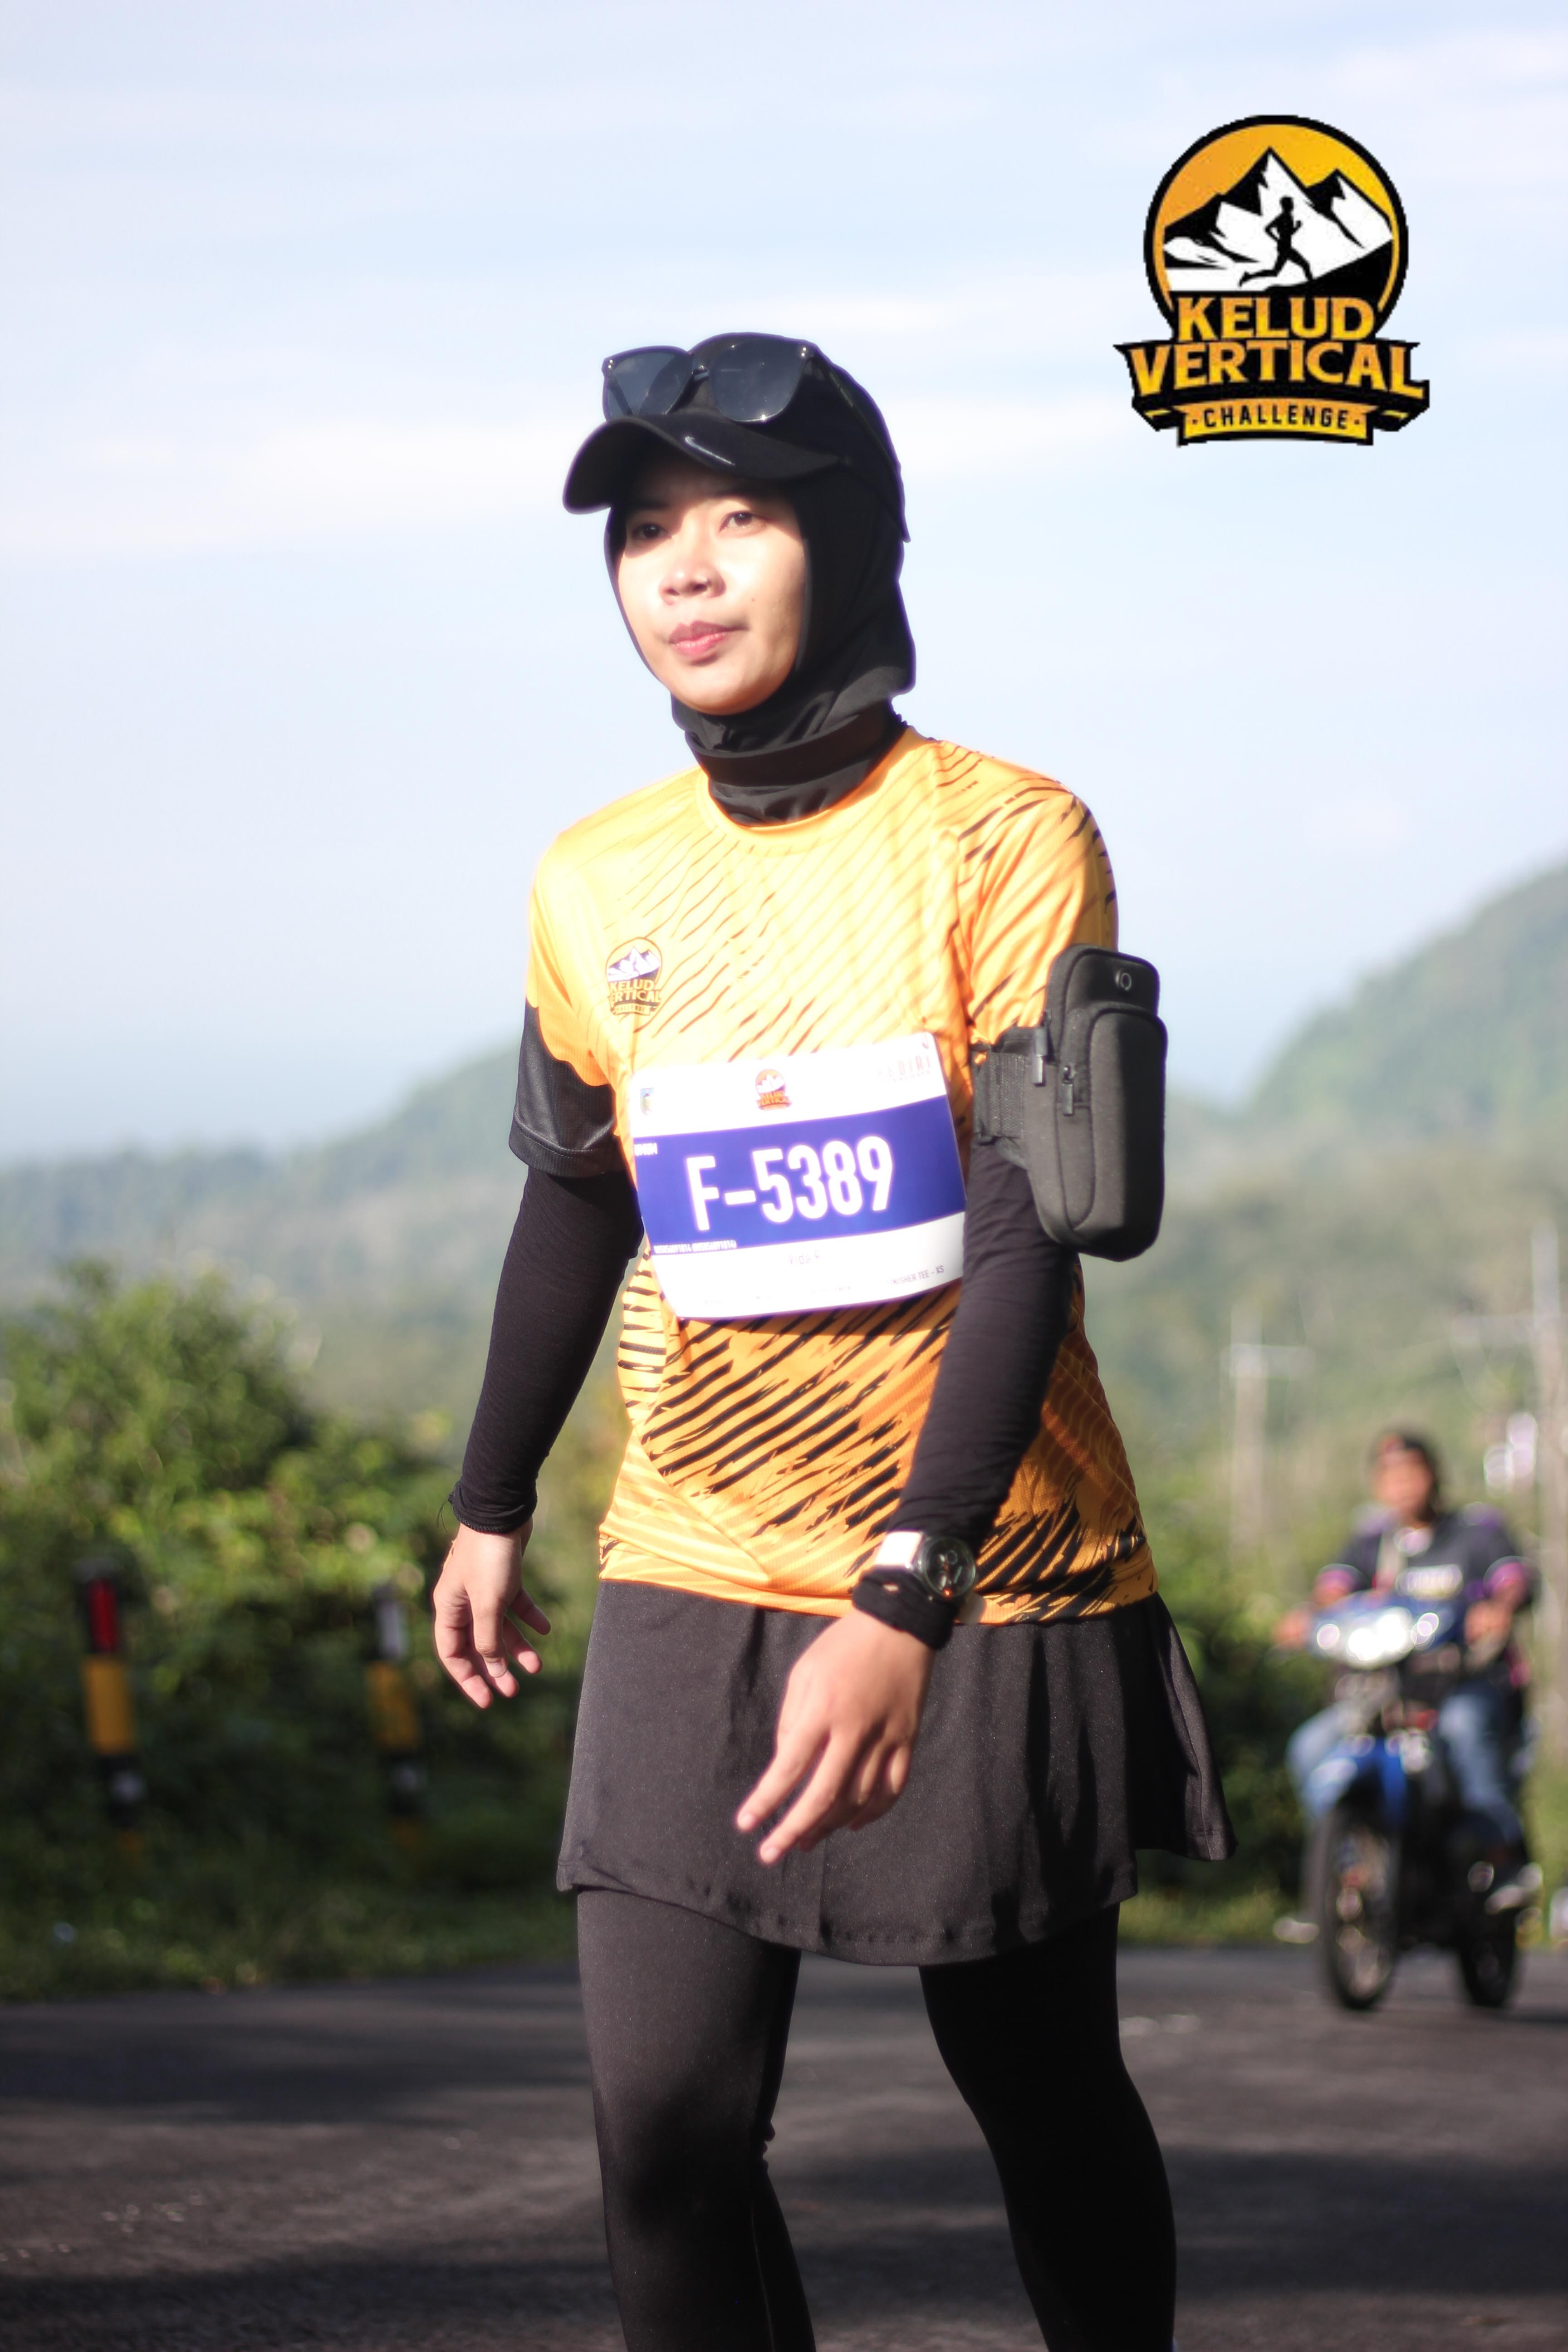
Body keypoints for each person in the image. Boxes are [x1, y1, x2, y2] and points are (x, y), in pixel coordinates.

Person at [431, 332, 1234, 2352]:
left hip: (986, 1565)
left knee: (1037, 2089)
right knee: (664, 2134)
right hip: (692, 1555)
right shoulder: (595, 873)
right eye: (644, 531)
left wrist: (909, 1579)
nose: (683, 568)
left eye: (739, 518)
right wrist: (488, 1501)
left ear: (854, 544)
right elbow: (581, 1193)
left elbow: (1026, 1225)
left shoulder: (1001, 833)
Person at [1280, 1430, 1537, 1897]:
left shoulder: (1476, 1531)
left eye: (1412, 1472)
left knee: (1464, 1729)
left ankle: (1500, 1857)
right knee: (1310, 1747)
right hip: (1385, 1693)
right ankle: (1343, 1878)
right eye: (1390, 1475)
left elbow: (1513, 1579)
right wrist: (1312, 1617)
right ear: (1377, 1485)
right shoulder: (1370, 1541)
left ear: (1435, 1475)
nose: (1402, 1484)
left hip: (1462, 1685)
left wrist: (1499, 1607)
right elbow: (1334, 1589)